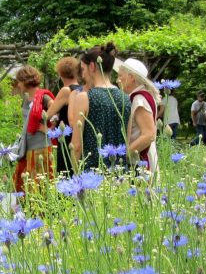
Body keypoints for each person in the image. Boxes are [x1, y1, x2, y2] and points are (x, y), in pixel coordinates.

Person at [69, 43, 131, 171]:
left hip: (93, 176)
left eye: (83, 69)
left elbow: (76, 146)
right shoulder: (125, 98)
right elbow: (127, 139)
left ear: (92, 66)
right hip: (120, 175)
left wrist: (76, 175)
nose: (83, 75)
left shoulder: (84, 97)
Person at [12, 66, 55, 194]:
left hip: (41, 147)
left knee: (40, 184)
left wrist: (47, 129)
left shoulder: (43, 97)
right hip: (28, 147)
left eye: (19, 81)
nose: (18, 85)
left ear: (25, 81)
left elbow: (55, 111)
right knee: (25, 184)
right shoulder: (27, 98)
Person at [118, 58, 160, 178]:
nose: (118, 79)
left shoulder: (139, 99)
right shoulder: (140, 96)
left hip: (141, 161)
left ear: (131, 77)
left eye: (121, 75)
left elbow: (149, 134)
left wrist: (125, 154)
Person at [46, 56, 83, 175]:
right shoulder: (82, 89)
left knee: (65, 171)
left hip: (66, 135)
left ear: (61, 74)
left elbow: (48, 114)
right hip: (79, 135)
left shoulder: (66, 91)